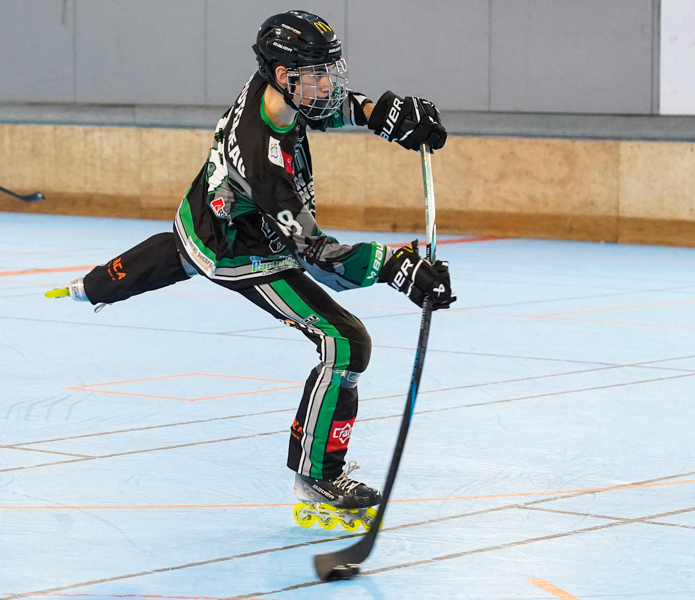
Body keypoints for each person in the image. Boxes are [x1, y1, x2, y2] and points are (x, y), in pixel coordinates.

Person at [47, 10, 454, 517]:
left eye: (328, 69)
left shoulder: (277, 90)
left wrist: (379, 114)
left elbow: (322, 107)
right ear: (284, 75)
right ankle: (319, 477)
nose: (328, 83)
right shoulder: (264, 164)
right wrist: (397, 268)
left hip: (209, 215)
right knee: (347, 343)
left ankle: (93, 286)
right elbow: (320, 259)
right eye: (318, 73)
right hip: (242, 252)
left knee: (170, 256)